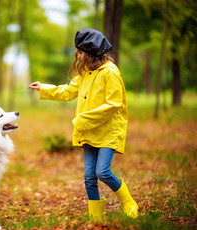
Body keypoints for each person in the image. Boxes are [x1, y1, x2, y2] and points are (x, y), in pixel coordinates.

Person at [29, 28, 138, 219]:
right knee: (89, 177)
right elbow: (68, 91)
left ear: (90, 53)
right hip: (88, 131)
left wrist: (82, 119)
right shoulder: (85, 72)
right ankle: (95, 216)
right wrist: (43, 88)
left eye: (80, 52)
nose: (77, 56)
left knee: (102, 172)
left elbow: (114, 104)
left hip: (106, 130)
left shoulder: (110, 73)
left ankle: (128, 201)